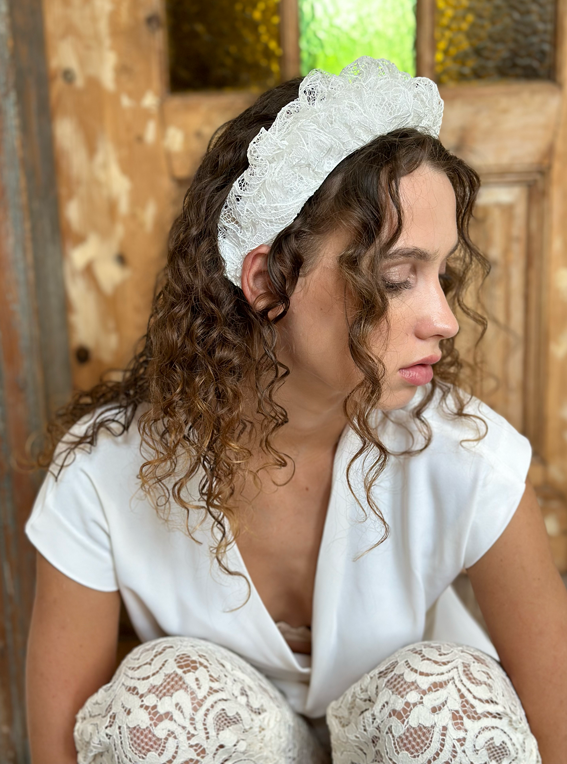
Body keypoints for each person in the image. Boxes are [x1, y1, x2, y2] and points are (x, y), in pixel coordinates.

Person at [24, 58, 567, 764]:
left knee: (444, 708)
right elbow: (55, 751)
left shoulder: (466, 455)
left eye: (442, 275)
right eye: (397, 279)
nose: (443, 319)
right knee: (161, 706)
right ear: (267, 279)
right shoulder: (102, 471)